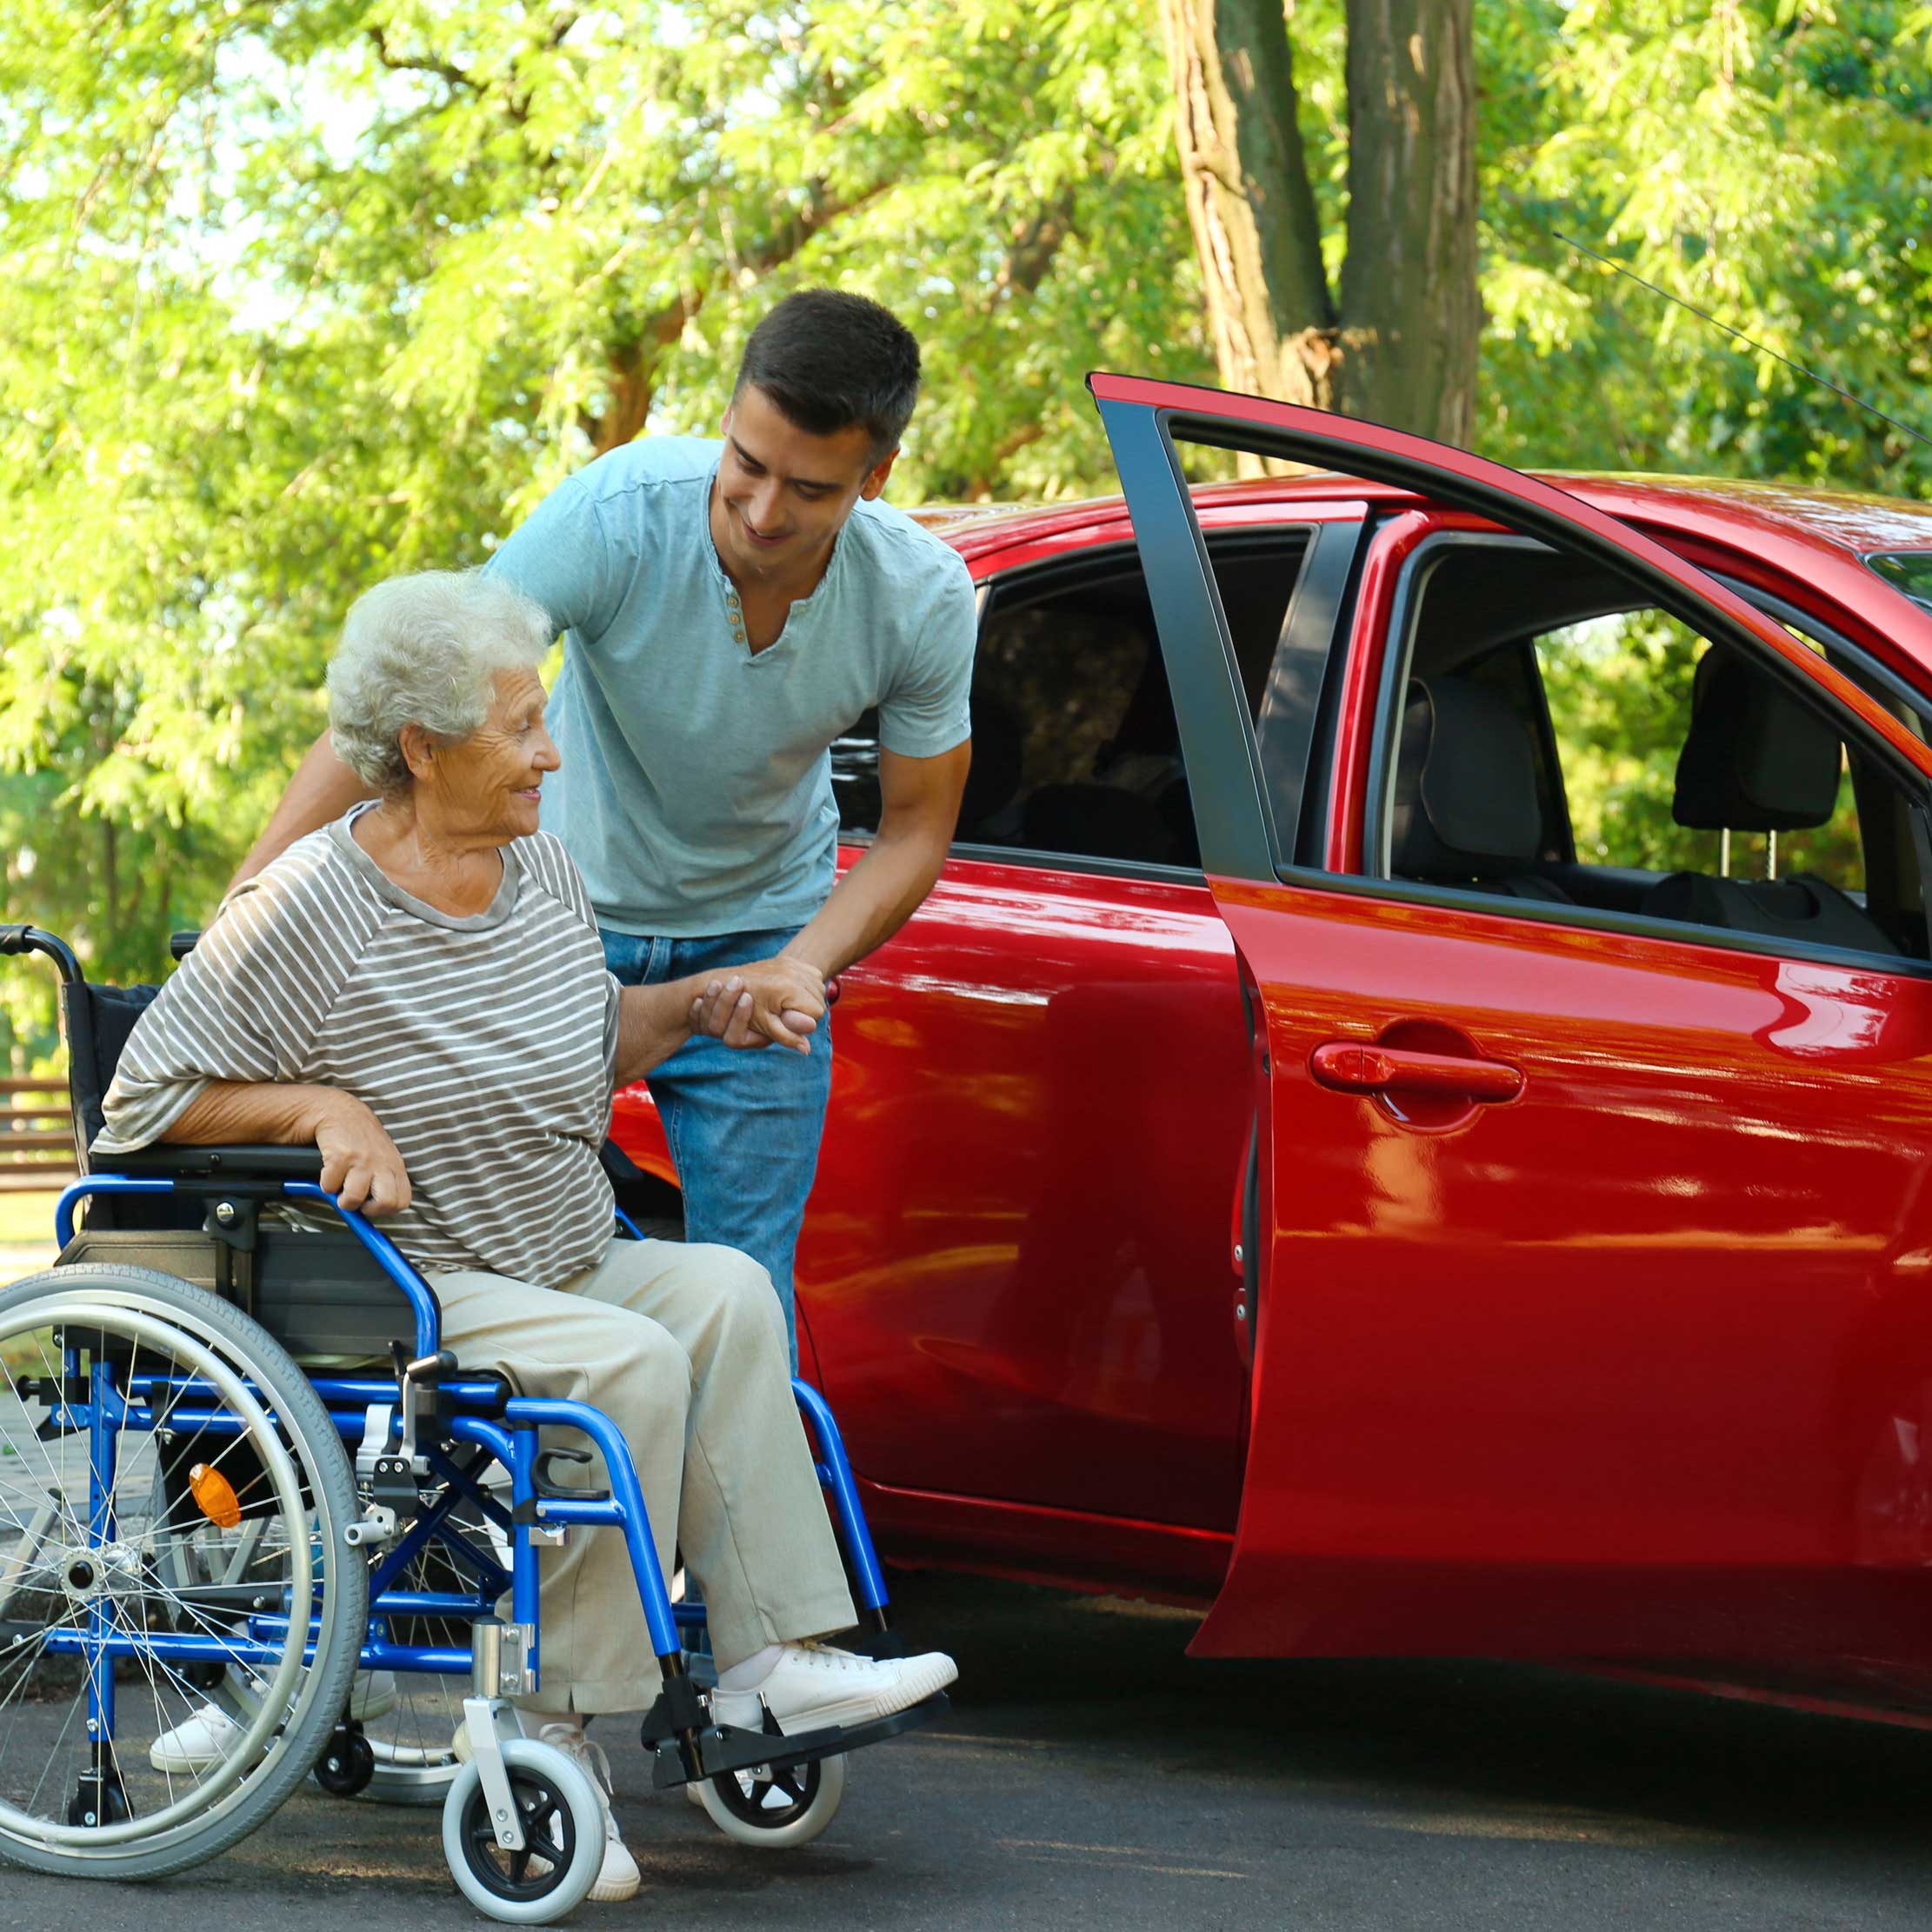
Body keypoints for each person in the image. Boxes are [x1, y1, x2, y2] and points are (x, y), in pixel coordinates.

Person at [97, 571, 957, 1904]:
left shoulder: (538, 869)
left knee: (728, 1291)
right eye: (519, 729)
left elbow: (582, 1034)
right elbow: (140, 1103)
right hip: (419, 1286)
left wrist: (702, 1006)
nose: (551, 753)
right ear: (424, 748)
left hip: (559, 1245)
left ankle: (768, 1659)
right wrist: (322, 1101)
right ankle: (556, 1726)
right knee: (631, 1361)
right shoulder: (303, 909)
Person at [232, 290, 978, 1364]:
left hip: (759, 932)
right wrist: (253, 905)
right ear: (726, 418)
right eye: (745, 462)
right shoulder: (619, 513)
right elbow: (415, 708)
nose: (762, 509)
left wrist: (801, 966)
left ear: (878, 475)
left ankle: (702, 1527)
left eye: (808, 488)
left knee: (747, 1292)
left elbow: (915, 829)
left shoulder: (919, 597)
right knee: (494, 1259)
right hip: (549, 927)